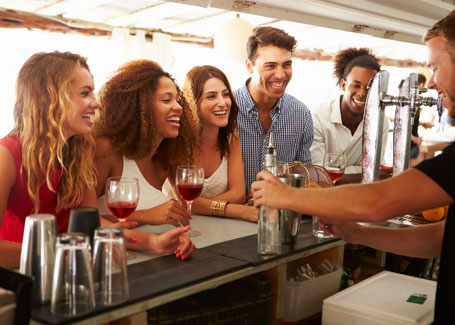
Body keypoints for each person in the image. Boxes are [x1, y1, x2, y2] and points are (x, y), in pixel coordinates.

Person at [252, 4, 455, 325]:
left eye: (435, 67)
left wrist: (283, 195)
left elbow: (379, 200)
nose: (432, 83)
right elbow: (443, 238)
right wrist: (359, 233)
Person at [0, 52, 193, 269]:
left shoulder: (77, 152)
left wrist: (154, 242)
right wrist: (65, 255)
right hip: (17, 283)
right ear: (51, 97)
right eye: (85, 93)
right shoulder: (3, 156)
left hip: (66, 273)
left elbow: (93, 226)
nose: (96, 104)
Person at [94, 60, 196, 232]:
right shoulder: (107, 150)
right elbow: (83, 217)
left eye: (178, 100)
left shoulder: (163, 158)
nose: (178, 107)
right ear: (138, 106)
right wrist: (146, 215)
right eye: (166, 100)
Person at [165, 65, 258, 222]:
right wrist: (238, 211)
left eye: (226, 94)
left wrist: (205, 206)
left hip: (216, 226)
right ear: (193, 102)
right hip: (176, 225)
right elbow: (186, 203)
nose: (222, 103)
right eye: (211, 96)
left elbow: (238, 194)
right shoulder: (176, 139)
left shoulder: (231, 135)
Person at [234, 26, 314, 194]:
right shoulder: (227, 109)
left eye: (286, 65)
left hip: (279, 214)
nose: (280, 75)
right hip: (230, 214)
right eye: (270, 66)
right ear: (249, 66)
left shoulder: (301, 114)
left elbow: (304, 174)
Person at [311, 48, 390, 184]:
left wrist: (338, 173)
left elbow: (374, 166)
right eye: (356, 85)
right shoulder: (319, 116)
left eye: (369, 88)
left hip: (358, 196)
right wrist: (363, 173)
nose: (362, 93)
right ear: (343, 85)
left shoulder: (380, 122)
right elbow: (318, 175)